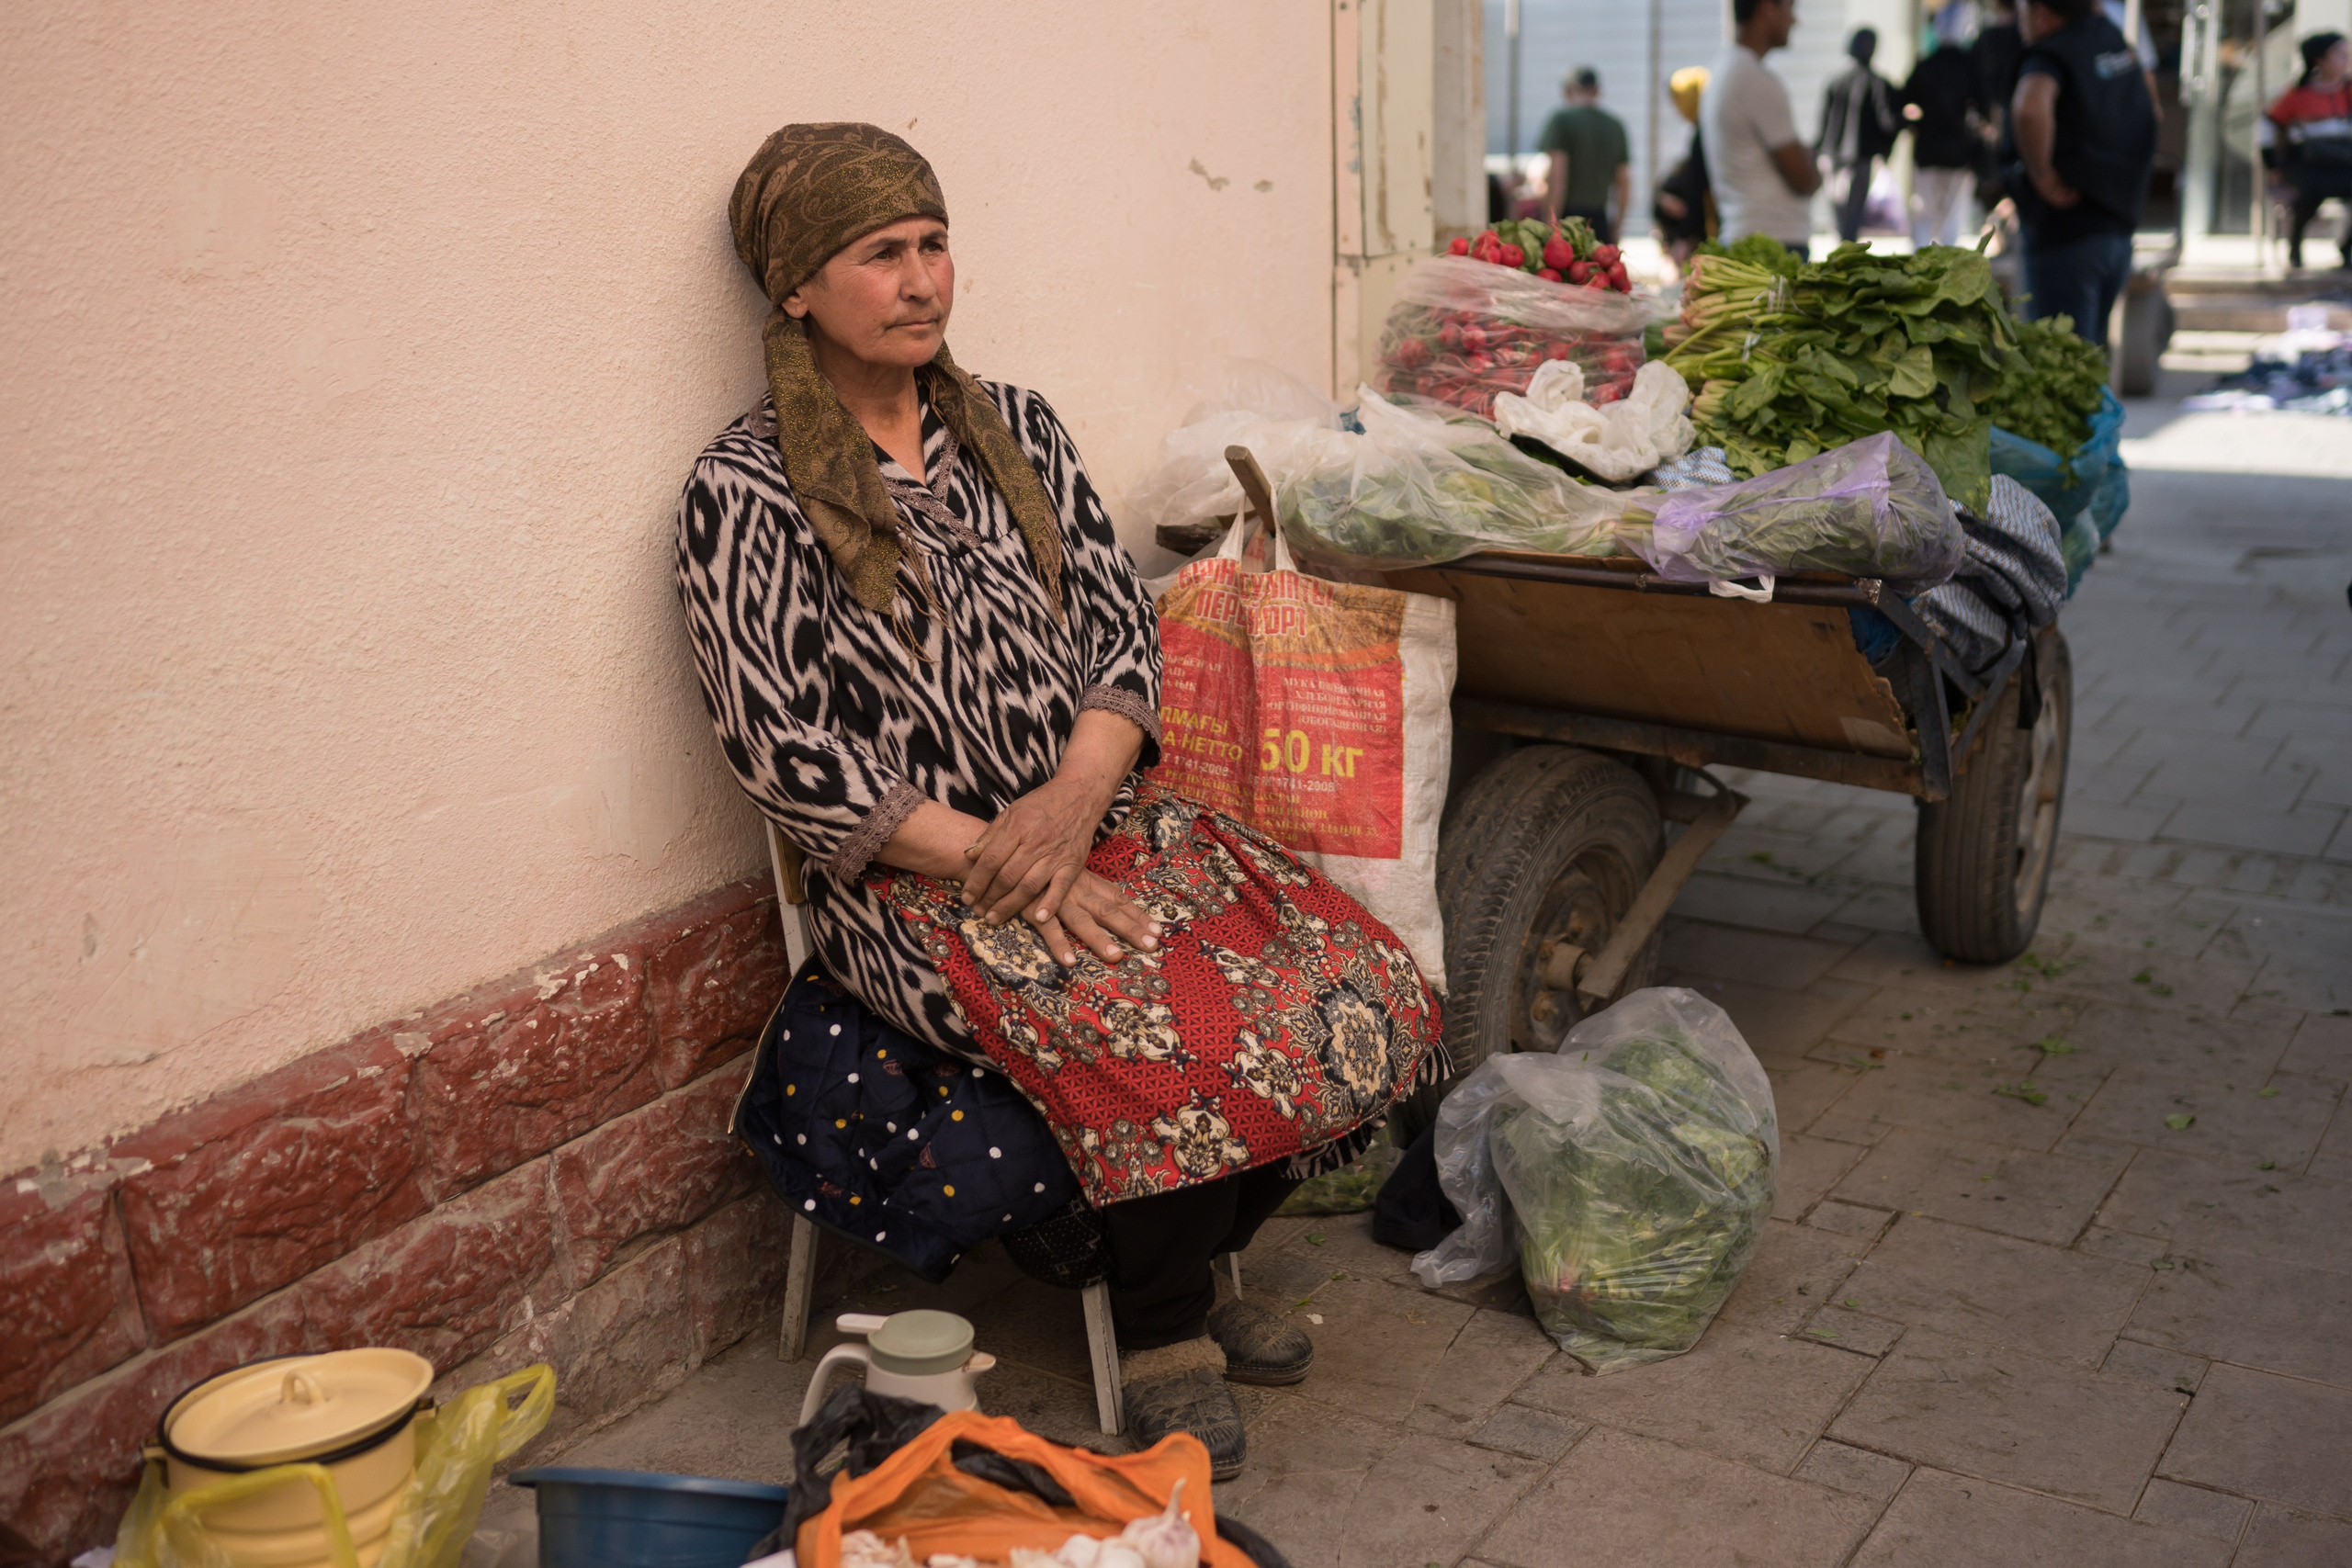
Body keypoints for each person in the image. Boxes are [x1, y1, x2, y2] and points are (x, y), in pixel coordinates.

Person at [677, 123, 1445, 1477]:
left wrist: (1078, 797)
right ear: (796, 288)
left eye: (934, 244)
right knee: (1151, 1010)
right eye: (880, 254)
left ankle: (1192, 1251)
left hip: (1094, 816)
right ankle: (1162, 1332)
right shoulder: (742, 493)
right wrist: (1006, 853)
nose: (922, 279)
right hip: (914, 880)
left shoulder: (1016, 427)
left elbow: (1117, 632)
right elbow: (785, 752)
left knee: (1353, 974)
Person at [2008, 0, 2157, 344]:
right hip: (2117, 229)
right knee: (2087, 354)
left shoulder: (2050, 55)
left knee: (2063, 359)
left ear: (2042, 14)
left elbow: (2030, 108)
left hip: (2066, 234)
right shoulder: (2113, 39)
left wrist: (2042, 175)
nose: (2019, 23)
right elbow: (2153, 109)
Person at [1704, 0, 1823, 253]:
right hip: (1773, 241)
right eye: (1790, 8)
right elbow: (1803, 178)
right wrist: (1815, 164)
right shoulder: (1753, 79)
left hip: (1749, 235)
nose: (1795, 20)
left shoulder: (1725, 69)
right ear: (1767, 8)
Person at [2267, 32, 2352, 271]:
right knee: (2307, 200)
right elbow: (2268, 126)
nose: (2346, 59)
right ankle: (2295, 246)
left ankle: (2347, 249)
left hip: (2345, 163)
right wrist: (2272, 164)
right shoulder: (2298, 95)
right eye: (2339, 54)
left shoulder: (2348, 91)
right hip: (2310, 167)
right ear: (2320, 60)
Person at [1818, 28, 1904, 243]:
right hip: (1859, 157)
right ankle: (1846, 252)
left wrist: (1820, 151)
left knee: (1840, 216)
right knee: (1851, 218)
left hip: (1833, 156)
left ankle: (1843, 251)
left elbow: (1823, 124)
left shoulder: (1836, 81)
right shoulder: (1877, 83)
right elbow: (1887, 122)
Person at [1905, 28, 1982, 245]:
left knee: (1925, 212)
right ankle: (1945, 257)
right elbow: (1983, 105)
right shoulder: (1969, 67)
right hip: (1958, 152)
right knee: (1952, 214)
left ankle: (1922, 255)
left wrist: (1915, 123)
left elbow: (1904, 104)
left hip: (1928, 151)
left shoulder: (1925, 66)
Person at [1540, 66, 1633, 244]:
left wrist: (1550, 222)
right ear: (1596, 91)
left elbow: (1558, 174)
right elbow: (1624, 181)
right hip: (1599, 219)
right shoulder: (1615, 125)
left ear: (1568, 91)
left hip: (1567, 218)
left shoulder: (1561, 120)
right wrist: (1618, 225)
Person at [1656, 65, 1716, 266]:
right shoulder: (1710, 129)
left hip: (1711, 229)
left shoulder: (1705, 134)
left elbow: (1698, 187)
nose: (1678, 109)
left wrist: (1685, 235)